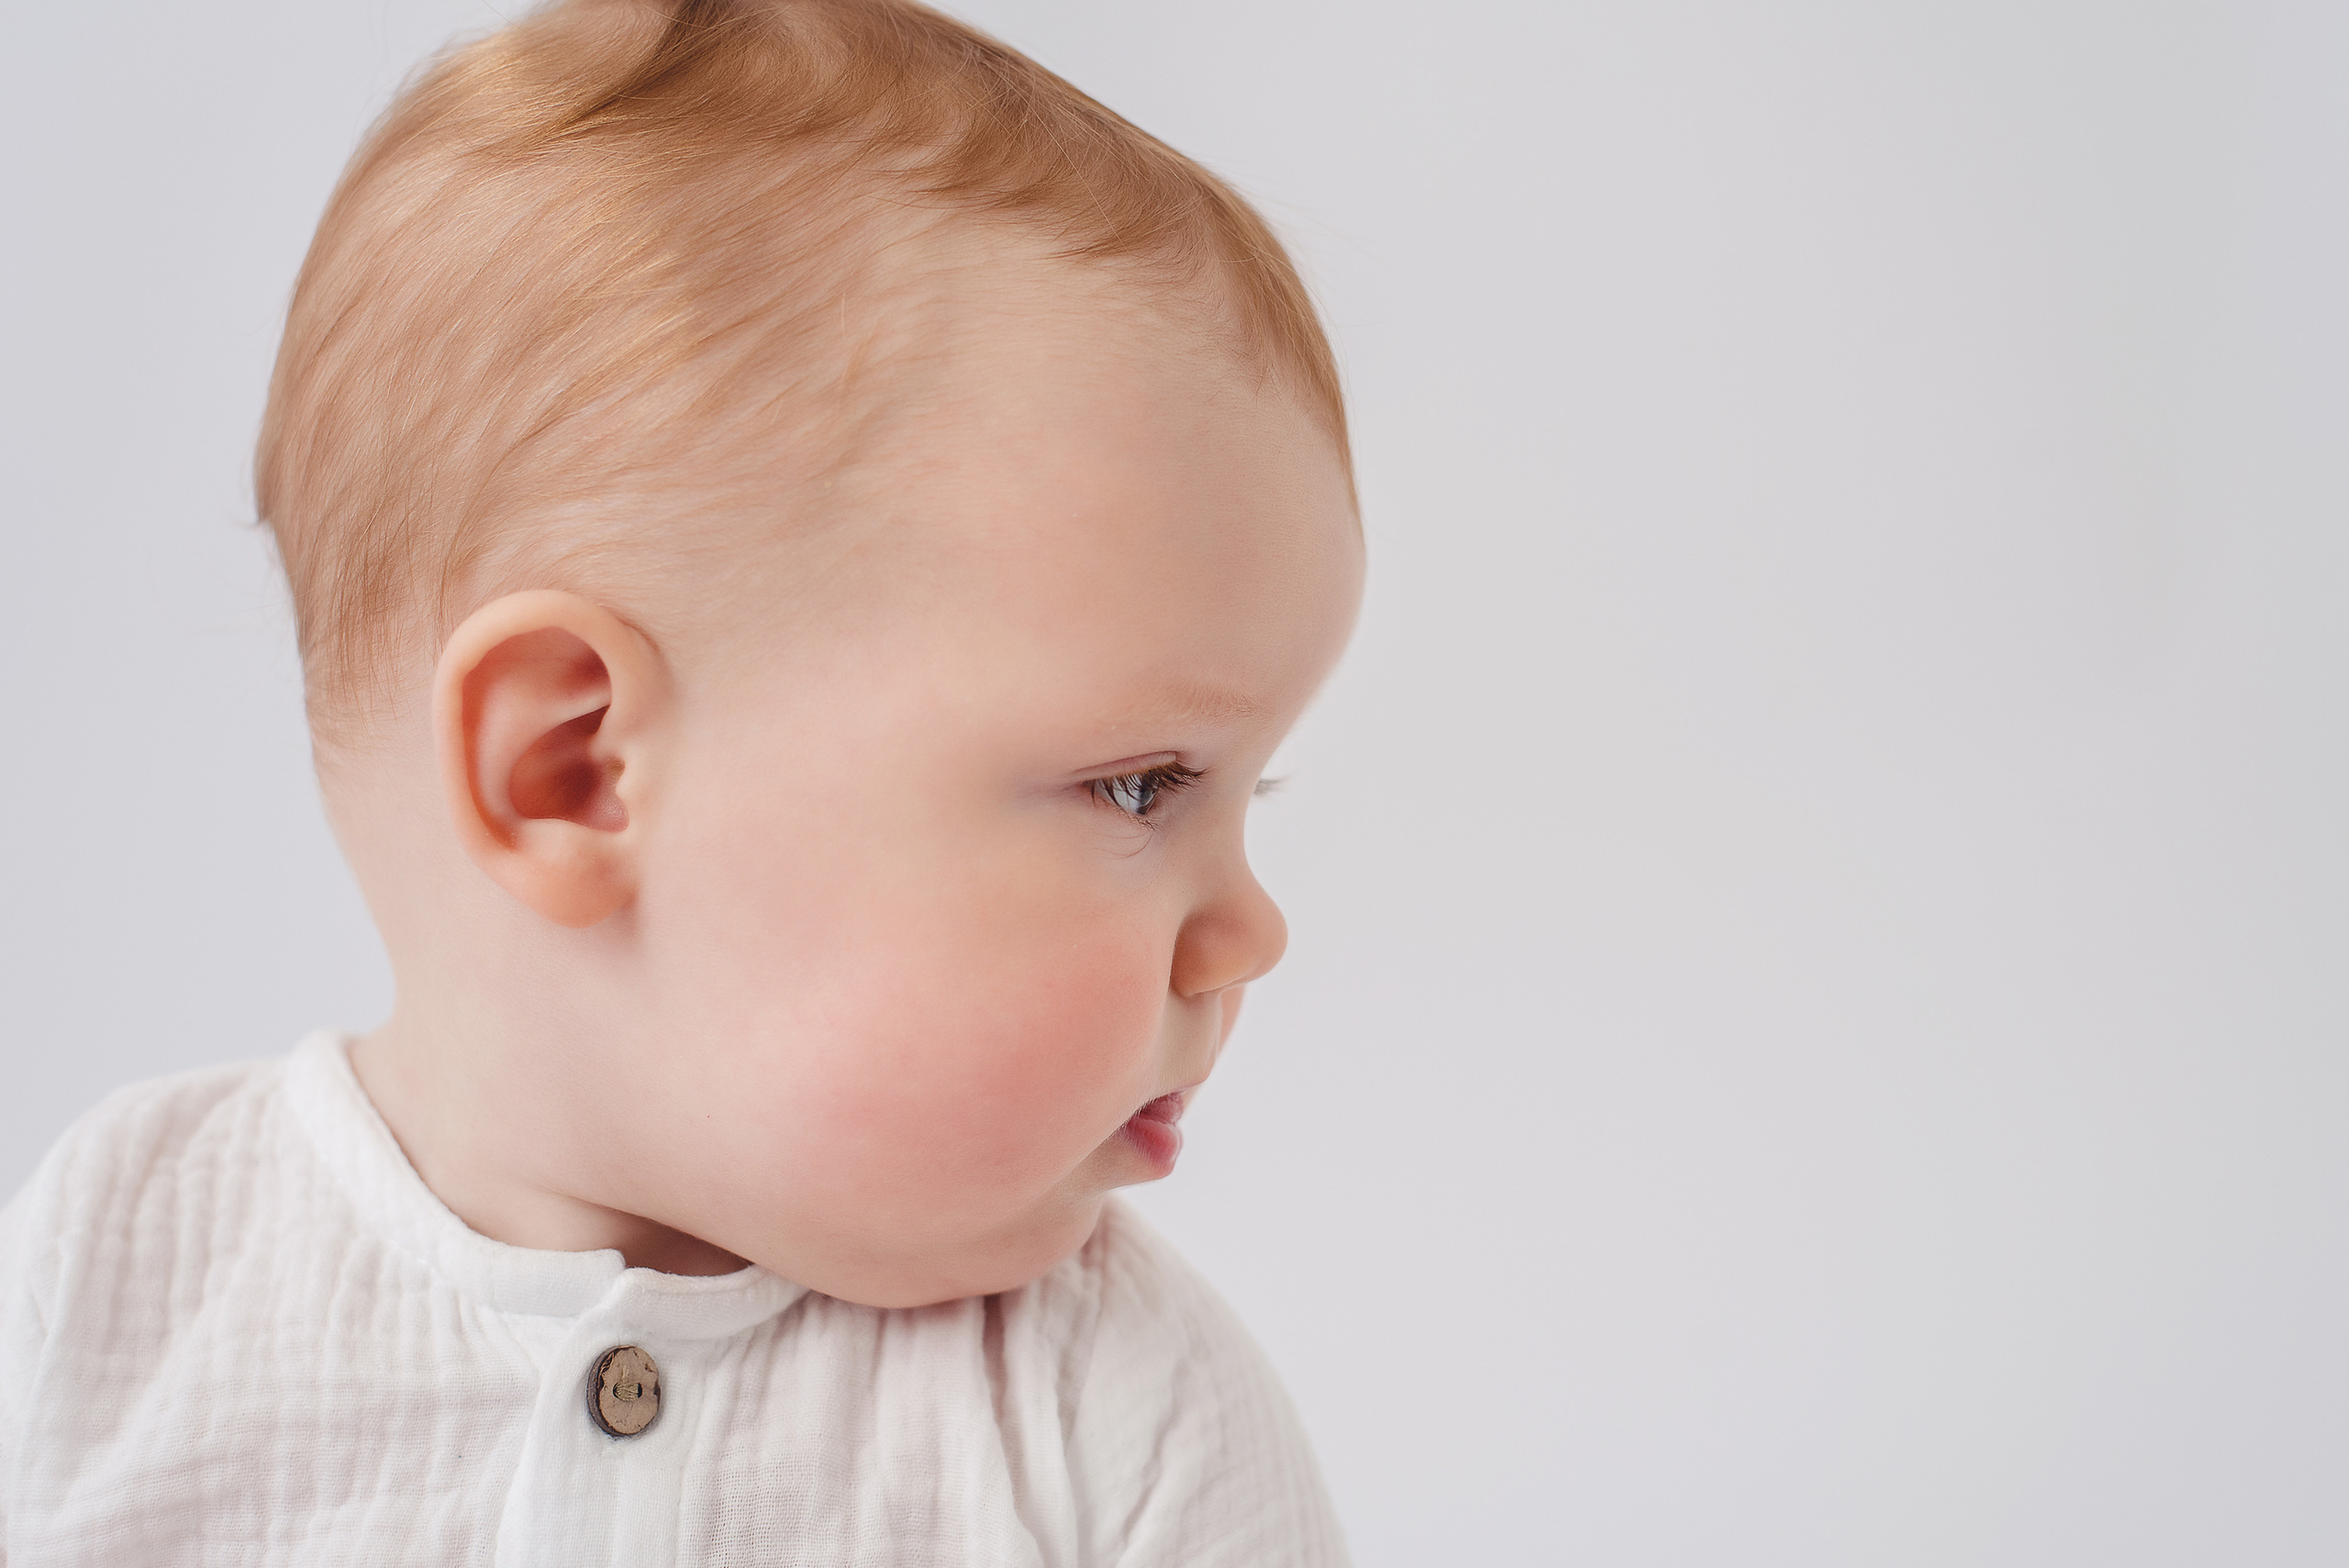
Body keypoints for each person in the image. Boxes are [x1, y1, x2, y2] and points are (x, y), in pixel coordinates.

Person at [0, 0, 1362, 1561]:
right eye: (1141, 786)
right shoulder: (110, 1281)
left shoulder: (1117, 1418)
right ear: (572, 768)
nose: (1249, 931)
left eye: (1243, 797)